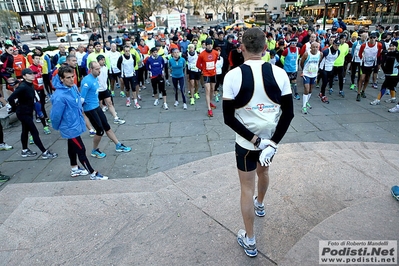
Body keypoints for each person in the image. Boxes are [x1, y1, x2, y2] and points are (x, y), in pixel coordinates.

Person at [222, 28, 294, 258]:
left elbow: (227, 118)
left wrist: (255, 140)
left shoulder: (232, 76)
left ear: (241, 48)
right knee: (264, 172)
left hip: (246, 143)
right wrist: (272, 143)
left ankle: (250, 240)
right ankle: (260, 204)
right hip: (270, 140)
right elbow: (288, 114)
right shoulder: (280, 74)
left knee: (245, 188)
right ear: (265, 48)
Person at [51, 65, 108, 180]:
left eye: (72, 76)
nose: (72, 79)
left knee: (72, 146)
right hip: (69, 127)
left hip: (75, 124)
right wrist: (59, 127)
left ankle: (74, 168)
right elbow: (55, 115)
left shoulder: (72, 88)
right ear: (61, 79)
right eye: (68, 77)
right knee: (81, 149)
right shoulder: (59, 96)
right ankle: (92, 173)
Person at [80, 61, 132, 158]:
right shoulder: (87, 81)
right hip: (90, 109)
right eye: (96, 69)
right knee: (100, 131)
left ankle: (118, 145)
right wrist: (80, 111)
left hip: (96, 107)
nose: (99, 71)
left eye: (99, 68)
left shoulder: (95, 79)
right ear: (90, 70)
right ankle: (94, 150)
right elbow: (81, 98)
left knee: (107, 126)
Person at [7, 68, 58, 159]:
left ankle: (24, 150)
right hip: (23, 113)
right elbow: (11, 98)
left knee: (25, 131)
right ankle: (44, 152)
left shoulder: (30, 85)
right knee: (34, 131)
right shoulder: (23, 87)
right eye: (29, 74)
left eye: (33, 73)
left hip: (28, 111)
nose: (32, 75)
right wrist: (15, 108)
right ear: (24, 76)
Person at [96, 54, 125, 124]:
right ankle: (99, 120)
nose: (103, 61)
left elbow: (106, 79)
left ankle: (116, 118)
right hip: (98, 91)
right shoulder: (96, 70)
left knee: (110, 103)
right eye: (102, 60)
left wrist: (107, 87)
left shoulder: (106, 68)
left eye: (104, 60)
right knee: (99, 105)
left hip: (105, 89)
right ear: (98, 61)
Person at [370, 41, 399, 105]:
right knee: (391, 86)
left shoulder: (397, 54)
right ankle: (393, 98)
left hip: (394, 74)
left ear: (396, 47)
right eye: (390, 46)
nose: (391, 47)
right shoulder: (387, 54)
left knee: (384, 86)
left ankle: (378, 100)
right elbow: (383, 62)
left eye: (393, 46)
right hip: (388, 73)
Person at [357, 32, 383, 101]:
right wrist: (363, 59)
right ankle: (358, 93)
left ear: (376, 38)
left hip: (372, 64)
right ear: (369, 38)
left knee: (367, 78)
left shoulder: (379, 45)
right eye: (371, 37)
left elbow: (379, 54)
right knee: (362, 78)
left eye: (374, 38)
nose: (372, 39)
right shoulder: (364, 45)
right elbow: (360, 54)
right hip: (364, 64)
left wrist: (376, 61)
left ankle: (363, 91)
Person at [196, 38, 218, 117]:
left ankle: (210, 102)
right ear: (205, 45)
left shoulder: (215, 53)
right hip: (206, 74)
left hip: (213, 73)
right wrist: (203, 69)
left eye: (210, 44)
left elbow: (215, 61)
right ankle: (209, 109)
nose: (209, 46)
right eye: (208, 44)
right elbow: (198, 65)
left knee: (212, 89)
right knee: (207, 90)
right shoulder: (202, 54)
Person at [300, 42, 322, 114]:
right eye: (313, 47)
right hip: (306, 74)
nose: (315, 48)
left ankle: (306, 102)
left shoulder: (320, 54)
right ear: (311, 48)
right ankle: (303, 107)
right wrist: (304, 70)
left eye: (316, 47)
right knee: (306, 89)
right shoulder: (307, 54)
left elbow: (319, 61)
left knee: (310, 90)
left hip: (314, 74)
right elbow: (302, 62)